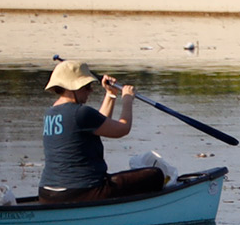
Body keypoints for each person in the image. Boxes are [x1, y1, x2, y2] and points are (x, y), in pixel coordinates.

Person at [39, 60, 164, 203]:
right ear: (72, 87)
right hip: (83, 192)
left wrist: (110, 94)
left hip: (46, 194)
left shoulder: (50, 113)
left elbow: (100, 123)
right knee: (155, 175)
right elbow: (122, 129)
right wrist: (128, 99)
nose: (90, 90)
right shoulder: (80, 113)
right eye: (86, 86)